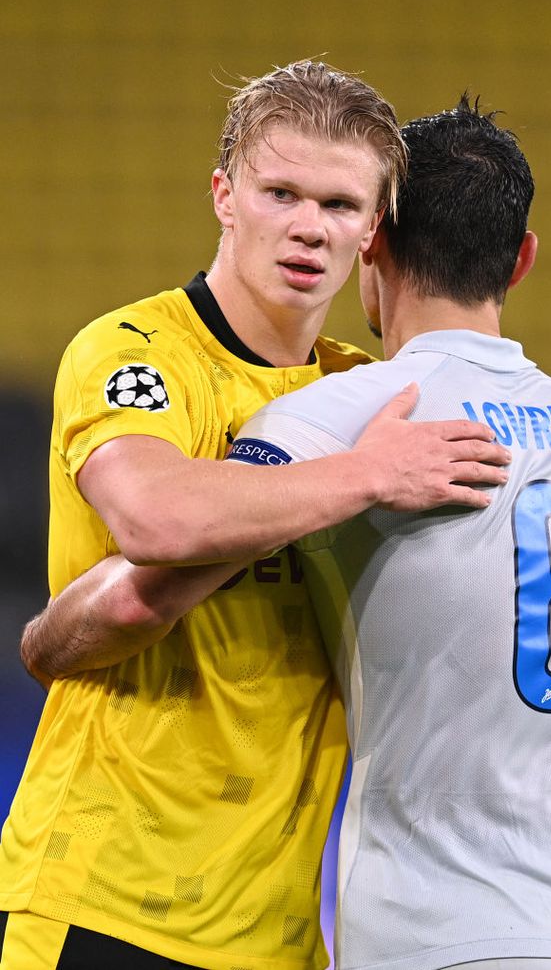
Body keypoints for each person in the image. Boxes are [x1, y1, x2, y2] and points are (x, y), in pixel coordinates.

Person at [0, 65, 510, 970]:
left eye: (341, 205)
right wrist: (361, 475)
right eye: (280, 192)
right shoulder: (138, 352)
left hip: (278, 931)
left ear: (372, 231)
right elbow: (154, 515)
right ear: (225, 197)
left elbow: (497, 453)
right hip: (107, 899)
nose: (309, 225)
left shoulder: (364, 392)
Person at [223, 96, 551, 970]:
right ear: (521, 261)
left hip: (434, 929)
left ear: (374, 245)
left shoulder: (337, 414)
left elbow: (174, 550)